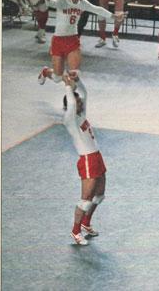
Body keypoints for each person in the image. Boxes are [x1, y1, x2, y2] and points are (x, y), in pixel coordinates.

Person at [37, 0, 122, 85]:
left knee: (74, 74)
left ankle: (73, 93)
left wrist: (114, 16)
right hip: (58, 41)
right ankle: (45, 72)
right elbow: (51, 3)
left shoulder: (83, 3)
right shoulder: (62, 1)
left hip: (72, 40)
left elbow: (97, 9)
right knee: (57, 78)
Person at [63, 74, 107, 246]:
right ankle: (75, 231)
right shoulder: (70, 120)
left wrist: (77, 80)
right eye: (77, 102)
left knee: (99, 195)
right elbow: (72, 102)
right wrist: (68, 86)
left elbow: (84, 93)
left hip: (97, 157)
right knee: (86, 199)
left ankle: (86, 223)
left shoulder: (81, 115)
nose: (80, 102)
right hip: (87, 160)